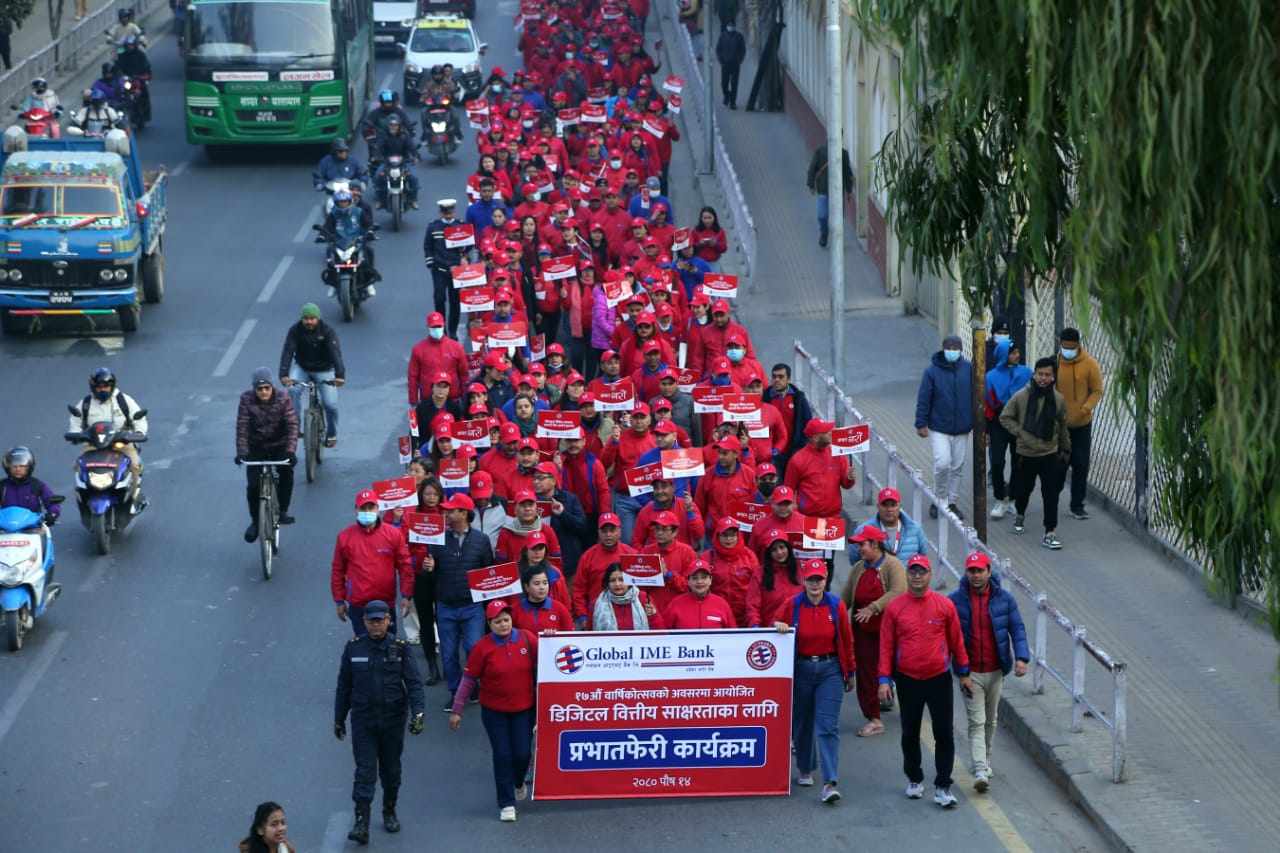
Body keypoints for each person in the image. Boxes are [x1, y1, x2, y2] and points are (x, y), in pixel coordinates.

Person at [878, 554, 972, 809]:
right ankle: (914, 779)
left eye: (922, 572)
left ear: (930, 575)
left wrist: (964, 673)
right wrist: (884, 680)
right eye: (913, 572)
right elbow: (886, 646)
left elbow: (956, 642)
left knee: (944, 733)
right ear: (907, 575)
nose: (917, 576)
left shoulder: (944, 605)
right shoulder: (895, 608)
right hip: (907, 680)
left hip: (938, 678)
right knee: (909, 733)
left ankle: (943, 785)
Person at [334, 600, 426, 843]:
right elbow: (344, 685)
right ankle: (361, 822)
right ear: (364, 622)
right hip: (364, 720)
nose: (376, 625)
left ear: (388, 620)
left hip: (393, 720)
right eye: (371, 621)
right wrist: (339, 718)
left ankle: (389, 810)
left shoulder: (400, 648)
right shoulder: (354, 648)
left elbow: (414, 683)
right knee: (364, 772)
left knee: (391, 771)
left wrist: (419, 713)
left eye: (380, 620)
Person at [771, 558, 855, 804]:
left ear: (826, 579)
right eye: (811, 579)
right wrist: (778, 626)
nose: (815, 584)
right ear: (804, 581)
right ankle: (805, 768)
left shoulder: (836, 606)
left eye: (819, 579)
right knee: (802, 723)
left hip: (830, 670)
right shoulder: (792, 604)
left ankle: (830, 782)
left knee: (827, 726)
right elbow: (773, 626)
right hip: (802, 668)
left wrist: (850, 671)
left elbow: (846, 640)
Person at [449, 599, 539, 821]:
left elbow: (548, 659)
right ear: (489, 624)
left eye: (506, 620)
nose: (503, 625)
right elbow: (469, 679)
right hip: (494, 711)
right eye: (498, 622)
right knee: (502, 755)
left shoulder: (527, 639)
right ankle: (506, 803)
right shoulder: (482, 648)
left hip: (523, 709)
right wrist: (457, 709)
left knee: (522, 753)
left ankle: (518, 782)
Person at [949, 551, 1030, 792]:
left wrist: (1022, 658)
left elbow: (1017, 629)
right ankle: (981, 769)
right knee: (977, 721)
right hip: (969, 673)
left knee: (990, 721)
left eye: (979, 570)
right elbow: (949, 637)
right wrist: (959, 670)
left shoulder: (1005, 600)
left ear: (989, 572)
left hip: (996, 671)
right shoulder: (955, 601)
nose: (975, 575)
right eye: (971, 571)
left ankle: (985, 760)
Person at [425, 493, 496, 709]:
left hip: (472, 606)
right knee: (448, 654)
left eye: (450, 510)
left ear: (464, 513)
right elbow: (431, 575)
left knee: (474, 649)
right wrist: (428, 569)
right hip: (446, 606)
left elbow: (488, 573)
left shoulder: (481, 541)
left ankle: (473, 688)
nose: (445, 514)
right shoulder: (437, 540)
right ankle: (457, 693)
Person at [841, 525, 906, 736]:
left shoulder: (893, 565)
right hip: (864, 634)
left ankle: (909, 708)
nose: (859, 548)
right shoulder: (858, 568)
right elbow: (845, 599)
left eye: (862, 544)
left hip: (890, 632)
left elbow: (899, 591)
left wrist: (874, 607)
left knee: (900, 671)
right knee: (867, 675)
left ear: (875, 545)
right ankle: (874, 718)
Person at [1000, 358, 1071, 550]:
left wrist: (1066, 448)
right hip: (1026, 453)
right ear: (1034, 374)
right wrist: (1021, 433)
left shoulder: (1058, 399)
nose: (1043, 378)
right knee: (1024, 490)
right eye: (1040, 374)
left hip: (1049, 453)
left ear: (1053, 377)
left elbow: (1063, 425)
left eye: (1047, 375)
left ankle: (1050, 531)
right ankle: (1020, 514)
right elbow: (1005, 417)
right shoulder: (1021, 396)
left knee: (1051, 493)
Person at [331, 490, 414, 633]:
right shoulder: (344, 537)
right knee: (363, 649)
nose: (367, 511)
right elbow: (338, 570)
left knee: (389, 648)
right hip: (358, 604)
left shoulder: (393, 535)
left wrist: (407, 595)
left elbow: (405, 566)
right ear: (356, 510)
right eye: (363, 508)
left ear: (378, 509)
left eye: (371, 507)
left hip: (385, 603)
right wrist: (339, 600)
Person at [914, 335, 973, 519]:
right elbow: (924, 398)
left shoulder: (969, 369)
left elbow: (977, 396)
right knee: (942, 463)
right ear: (943, 348)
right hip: (939, 427)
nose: (953, 350)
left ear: (961, 350)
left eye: (956, 347)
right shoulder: (932, 372)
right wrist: (921, 423)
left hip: (962, 427)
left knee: (957, 466)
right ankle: (939, 498)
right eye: (949, 347)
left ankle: (952, 502)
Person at [235, 368, 296, 543]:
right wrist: (241, 453)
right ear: (254, 389)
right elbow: (242, 427)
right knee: (253, 486)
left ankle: (282, 511)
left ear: (272, 388)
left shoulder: (283, 398)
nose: (263, 392)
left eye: (266, 388)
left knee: (286, 473)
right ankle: (255, 522)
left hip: (280, 446)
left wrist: (290, 451)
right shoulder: (246, 399)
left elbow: (292, 425)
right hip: (256, 448)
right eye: (260, 389)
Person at [279, 303, 345, 448]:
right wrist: (284, 374)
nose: (309, 322)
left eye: (312, 318)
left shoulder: (327, 331)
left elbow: (335, 354)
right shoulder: (295, 331)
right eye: (306, 318)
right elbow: (288, 352)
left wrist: (340, 375)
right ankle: (295, 427)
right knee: (293, 391)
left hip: (324, 370)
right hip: (302, 368)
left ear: (318, 318)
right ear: (302, 319)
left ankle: (332, 434)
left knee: (330, 404)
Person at [1055, 328, 1104, 521]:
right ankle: (1052, 497)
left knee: (1081, 464)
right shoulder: (1055, 363)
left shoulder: (1090, 364)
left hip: (1082, 424)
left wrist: (1086, 408)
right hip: (1060, 426)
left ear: (1078, 345)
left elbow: (1097, 390)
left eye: (1071, 347)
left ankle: (1077, 505)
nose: (1067, 350)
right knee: (1058, 465)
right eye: (1064, 347)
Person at [984, 338, 1031, 519]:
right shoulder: (991, 377)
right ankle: (1000, 497)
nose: (1016, 355)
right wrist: (986, 430)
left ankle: (1013, 498)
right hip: (998, 424)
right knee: (997, 461)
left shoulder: (1026, 373)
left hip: (1019, 424)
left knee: (1018, 462)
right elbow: (988, 404)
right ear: (1004, 355)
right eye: (1012, 353)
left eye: (1018, 352)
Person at [782, 419, 854, 519]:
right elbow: (788, 490)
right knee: (819, 535)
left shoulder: (838, 454)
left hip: (834, 517)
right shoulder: (798, 460)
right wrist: (795, 514)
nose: (831, 432)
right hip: (807, 518)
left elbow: (846, 484)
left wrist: (850, 478)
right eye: (826, 431)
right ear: (815, 438)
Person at [572, 514, 635, 626]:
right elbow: (578, 589)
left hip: (627, 614)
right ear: (598, 532)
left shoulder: (631, 554)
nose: (608, 535)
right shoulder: (588, 557)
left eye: (612, 530)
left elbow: (640, 587)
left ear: (620, 531)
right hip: (596, 614)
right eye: (604, 531)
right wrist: (582, 615)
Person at [704, 518, 761, 626]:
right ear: (717, 536)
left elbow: (757, 589)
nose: (729, 539)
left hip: (745, 616)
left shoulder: (749, 556)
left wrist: (753, 618)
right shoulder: (707, 557)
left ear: (738, 535)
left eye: (732, 535)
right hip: (717, 616)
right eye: (724, 535)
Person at [424, 200, 468, 336]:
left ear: (454, 211)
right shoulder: (433, 227)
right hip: (439, 270)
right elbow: (428, 246)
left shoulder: (461, 226)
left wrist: (463, 257)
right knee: (439, 298)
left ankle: (453, 331)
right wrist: (431, 263)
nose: (448, 215)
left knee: (455, 301)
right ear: (440, 212)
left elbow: (468, 245)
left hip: (456, 271)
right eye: (445, 212)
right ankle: (441, 329)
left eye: (450, 212)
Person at [663, 558, 736, 628]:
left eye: (704, 577)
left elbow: (734, 635)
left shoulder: (722, 604)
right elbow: (662, 633)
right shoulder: (676, 604)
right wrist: (654, 615)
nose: (699, 582)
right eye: (695, 578)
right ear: (688, 581)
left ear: (710, 580)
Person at [805, 143, 854, 248]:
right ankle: (824, 233)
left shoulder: (843, 154)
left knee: (838, 217)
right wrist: (811, 185)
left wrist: (849, 190)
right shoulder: (821, 152)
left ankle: (838, 241)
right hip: (823, 190)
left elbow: (847, 172)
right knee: (822, 216)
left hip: (838, 192)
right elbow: (812, 168)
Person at [860, 486, 928, 560]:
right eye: (884, 505)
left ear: (900, 507)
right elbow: (855, 559)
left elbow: (923, 558)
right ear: (878, 506)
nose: (889, 509)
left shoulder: (915, 529)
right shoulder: (863, 530)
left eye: (893, 505)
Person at [592, 562, 663, 630]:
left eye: (621, 579)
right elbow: (589, 635)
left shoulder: (643, 598)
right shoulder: (598, 603)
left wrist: (653, 616)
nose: (617, 584)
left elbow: (660, 632)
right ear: (607, 583)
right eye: (612, 580)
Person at [0, 447, 60, 525]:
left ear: (29, 467)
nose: (18, 469)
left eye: (22, 466)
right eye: (14, 466)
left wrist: (52, 514)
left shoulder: (37, 485)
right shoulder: (2, 486)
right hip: (5, 528)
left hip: (32, 527)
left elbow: (50, 500)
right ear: (8, 468)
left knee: (46, 535)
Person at [510, 562, 574, 633]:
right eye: (537, 583)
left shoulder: (560, 609)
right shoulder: (514, 611)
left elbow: (570, 637)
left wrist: (555, 637)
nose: (542, 587)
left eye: (545, 583)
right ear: (526, 587)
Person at [715, 22, 747, 109]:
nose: (730, 27)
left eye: (732, 26)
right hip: (725, 63)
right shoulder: (723, 36)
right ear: (727, 27)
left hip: (735, 64)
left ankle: (733, 102)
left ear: (734, 27)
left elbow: (743, 49)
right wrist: (721, 59)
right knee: (724, 83)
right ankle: (727, 95)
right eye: (729, 26)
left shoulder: (739, 36)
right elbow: (718, 49)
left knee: (734, 84)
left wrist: (739, 60)